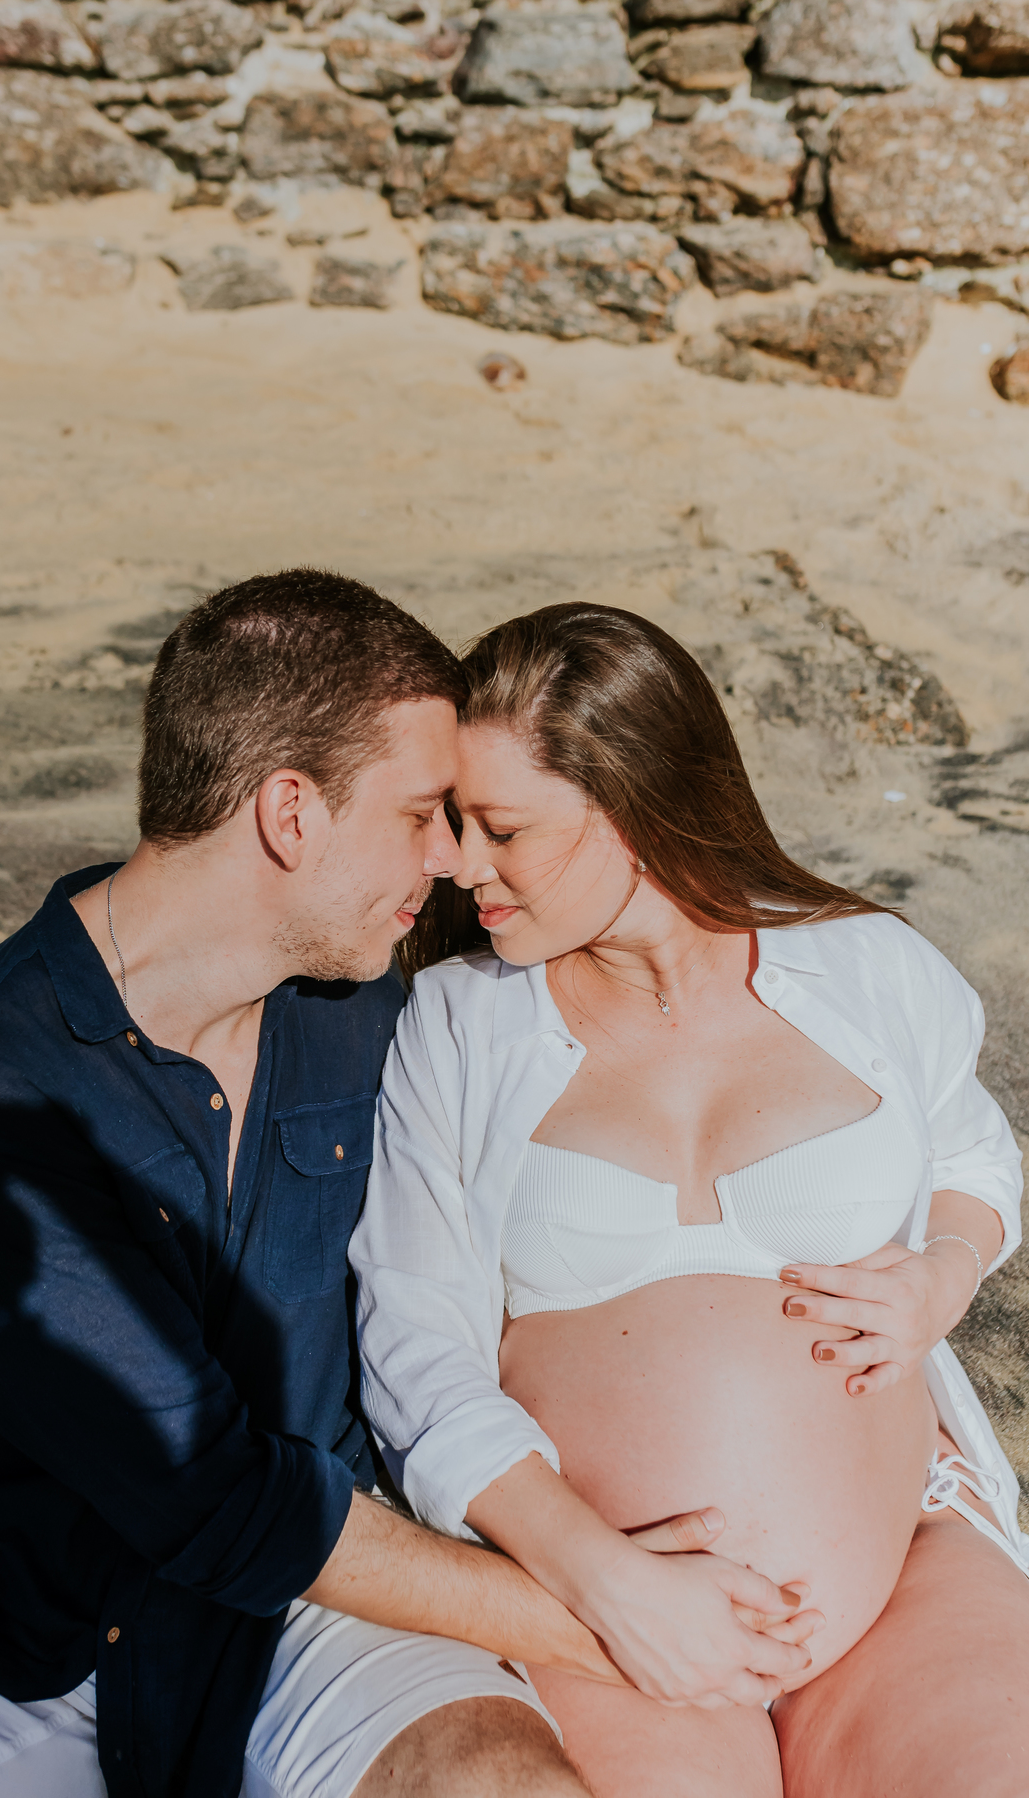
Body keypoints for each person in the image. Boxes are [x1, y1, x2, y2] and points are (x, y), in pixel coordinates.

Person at [0, 573, 816, 1798]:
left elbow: (647, 1022)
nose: (453, 859)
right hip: (20, 1638)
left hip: (332, 1625)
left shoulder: (380, 1002)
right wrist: (607, 1615)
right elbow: (213, 1494)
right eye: (420, 813)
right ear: (291, 812)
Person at [351, 601, 1029, 1798]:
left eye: (500, 825)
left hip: (901, 1573)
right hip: (605, 1611)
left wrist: (943, 1273)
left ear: (636, 808)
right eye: (455, 821)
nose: (456, 860)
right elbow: (416, 1347)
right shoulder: (461, 1026)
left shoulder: (868, 966)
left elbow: (975, 1152)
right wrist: (604, 1582)